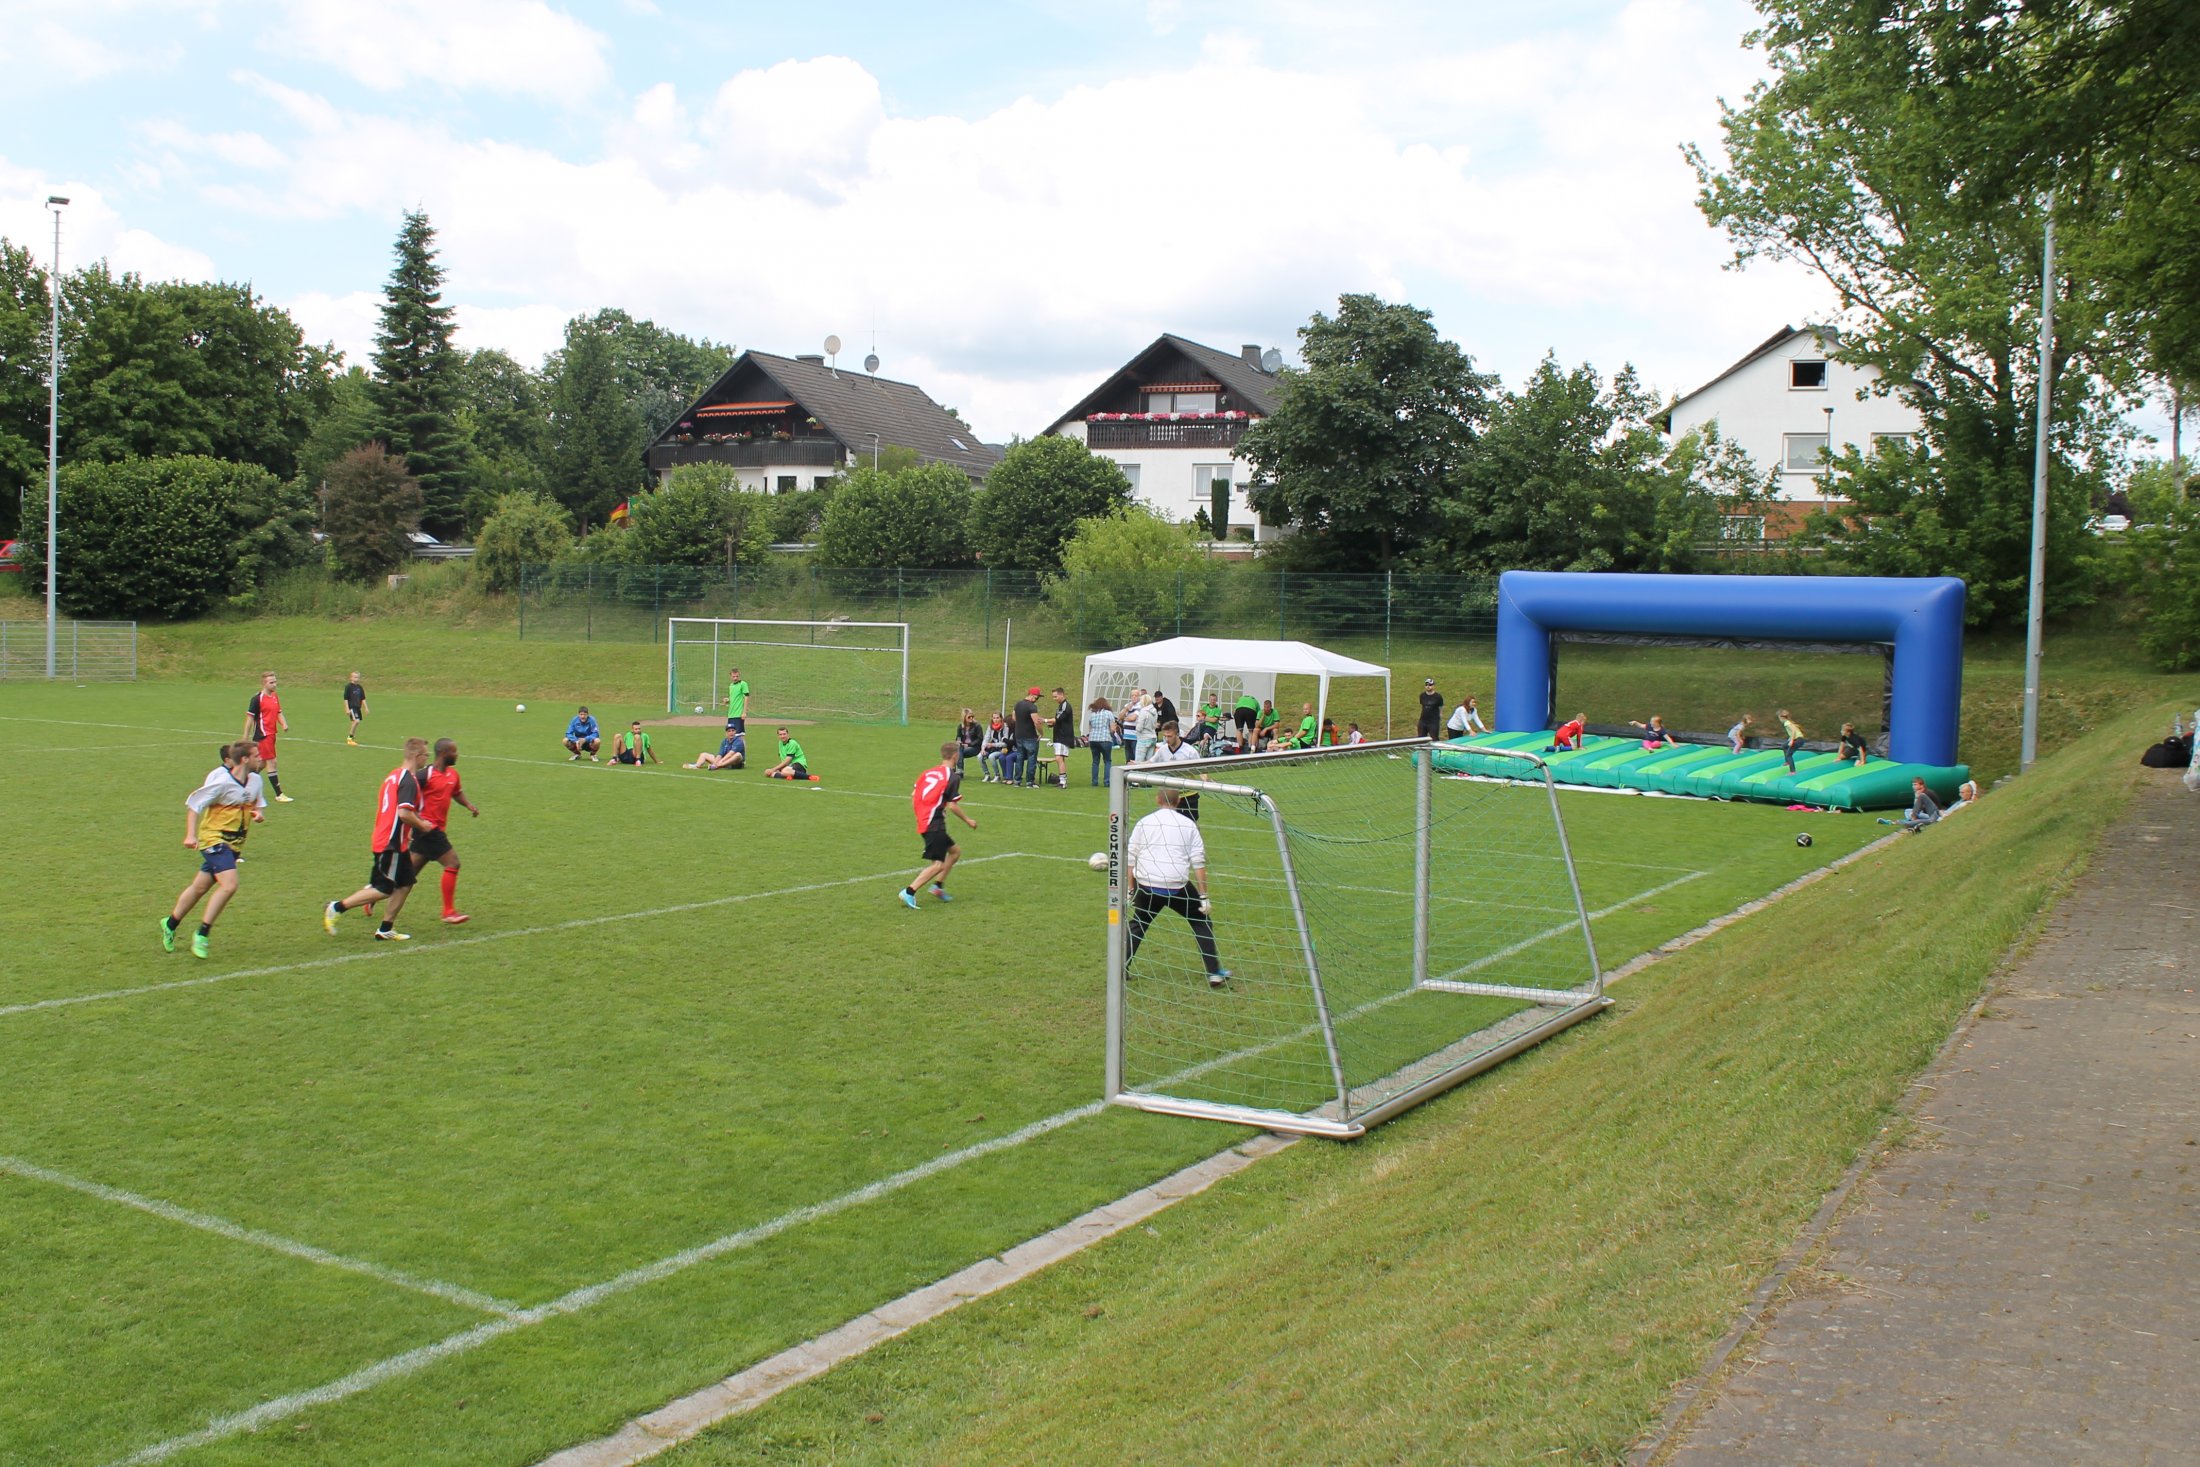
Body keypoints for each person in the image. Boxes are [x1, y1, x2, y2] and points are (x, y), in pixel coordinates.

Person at [324, 736, 434, 942]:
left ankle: (385, 929)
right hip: (390, 842)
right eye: (426, 755)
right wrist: (422, 825)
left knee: (406, 883)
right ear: (417, 756)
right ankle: (337, 907)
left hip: (394, 841)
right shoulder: (408, 781)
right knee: (384, 889)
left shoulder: (393, 776)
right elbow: (404, 813)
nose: (427, 759)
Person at [163, 744, 267, 959]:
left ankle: (170, 923)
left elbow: (257, 804)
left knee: (200, 887)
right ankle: (202, 934)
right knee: (230, 885)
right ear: (244, 759)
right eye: (256, 755)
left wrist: (257, 814)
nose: (261, 758)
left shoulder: (256, 780)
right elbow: (194, 805)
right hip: (213, 839)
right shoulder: (222, 782)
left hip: (235, 844)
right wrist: (190, 835)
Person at [1124, 788, 1229, 988]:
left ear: (1157, 799)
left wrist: (1130, 889)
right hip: (1176, 885)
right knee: (1201, 921)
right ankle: (1214, 973)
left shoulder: (1144, 822)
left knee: (1139, 923)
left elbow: (1131, 858)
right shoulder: (1189, 825)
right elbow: (1198, 863)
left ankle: (1121, 968)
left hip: (1146, 884)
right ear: (1179, 801)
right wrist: (1204, 896)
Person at [901, 742, 979, 908]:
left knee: (955, 852)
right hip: (934, 824)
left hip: (925, 820)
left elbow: (914, 795)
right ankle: (909, 891)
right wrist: (968, 820)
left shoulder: (928, 772)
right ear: (955, 756)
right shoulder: (952, 777)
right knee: (938, 864)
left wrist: (922, 814)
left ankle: (937, 887)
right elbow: (952, 806)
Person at [413, 737, 480, 924]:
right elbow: (406, 795)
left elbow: (456, 792)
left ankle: (372, 895)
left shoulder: (453, 775)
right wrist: (414, 819)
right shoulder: (424, 776)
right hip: (427, 829)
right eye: (454, 751)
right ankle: (448, 911)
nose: (457, 754)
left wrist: (469, 805)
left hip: (434, 830)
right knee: (453, 863)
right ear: (443, 753)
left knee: (407, 876)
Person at [244, 670, 293, 802]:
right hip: (263, 735)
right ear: (264, 684)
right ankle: (279, 794)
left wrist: (284, 724)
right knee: (272, 762)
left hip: (272, 735)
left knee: (260, 764)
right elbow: (250, 719)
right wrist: (245, 738)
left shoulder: (274, 696)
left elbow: (278, 712)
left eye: (275, 682)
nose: (274, 685)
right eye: (271, 682)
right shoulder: (257, 699)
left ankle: (242, 782)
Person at [1147, 719, 1205, 820]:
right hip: (1169, 796)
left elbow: (1201, 769)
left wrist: (1205, 779)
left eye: (1170, 736)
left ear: (1177, 734)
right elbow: (1151, 762)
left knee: (1191, 825)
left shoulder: (1190, 751)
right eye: (1165, 736)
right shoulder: (1163, 750)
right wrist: (1136, 765)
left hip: (1188, 796)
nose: (1167, 739)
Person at [1010, 686, 1043, 788]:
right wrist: (1041, 733)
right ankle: (1030, 782)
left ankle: (1017, 781)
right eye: (1037, 697)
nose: (1037, 699)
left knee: (1019, 757)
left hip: (1019, 735)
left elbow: (1014, 717)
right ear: (1033, 695)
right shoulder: (1032, 707)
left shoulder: (1018, 704)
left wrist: (1022, 723)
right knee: (1031, 758)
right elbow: (1037, 722)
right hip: (1030, 736)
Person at [1085, 696, 1120, 786]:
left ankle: (1094, 781)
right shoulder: (1109, 713)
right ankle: (1107, 782)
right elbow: (1112, 729)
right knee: (1107, 761)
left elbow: (1090, 728)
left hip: (1093, 739)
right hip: (1105, 739)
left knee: (1095, 761)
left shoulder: (1092, 714)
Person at [1048, 686, 1076, 787]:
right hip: (1058, 736)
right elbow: (1060, 721)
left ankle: (1063, 782)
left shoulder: (1065, 706)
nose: (1054, 699)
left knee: (1059, 758)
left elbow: (1058, 719)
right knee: (1060, 758)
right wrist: (1053, 725)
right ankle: (1062, 780)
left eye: (1055, 696)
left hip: (1063, 737)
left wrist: (1045, 720)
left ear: (1061, 695)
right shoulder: (1061, 706)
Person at [979, 713, 1010, 782]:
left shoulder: (1005, 727)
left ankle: (997, 775)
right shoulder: (990, 727)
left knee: (991, 756)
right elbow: (986, 738)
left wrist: (993, 745)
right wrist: (983, 748)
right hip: (991, 748)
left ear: (1001, 718)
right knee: (980, 756)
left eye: (997, 718)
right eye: (994, 718)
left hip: (1002, 749)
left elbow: (1005, 743)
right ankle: (987, 774)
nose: (995, 720)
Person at [1132, 691, 1161, 764]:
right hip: (1153, 737)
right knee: (1149, 762)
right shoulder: (1154, 711)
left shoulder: (1143, 711)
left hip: (1143, 738)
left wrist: (1137, 729)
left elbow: (1139, 728)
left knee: (1139, 762)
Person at [343, 671, 369, 746]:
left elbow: (363, 698)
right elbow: (346, 699)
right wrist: (347, 709)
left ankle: (352, 736)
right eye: (355, 677)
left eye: (358, 677)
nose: (356, 679)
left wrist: (366, 708)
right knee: (356, 721)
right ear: (351, 678)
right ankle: (349, 738)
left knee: (355, 722)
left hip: (358, 707)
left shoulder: (359, 687)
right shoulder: (348, 687)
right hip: (352, 707)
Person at [1777, 708, 1806, 773]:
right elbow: (1794, 731)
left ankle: (1792, 771)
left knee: (1789, 755)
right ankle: (1787, 762)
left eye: (1779, 718)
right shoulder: (1788, 722)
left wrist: (1791, 740)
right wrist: (1790, 739)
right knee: (1784, 746)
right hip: (1799, 739)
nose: (1779, 720)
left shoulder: (1787, 723)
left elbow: (1793, 730)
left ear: (1781, 717)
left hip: (1798, 740)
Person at [725, 668, 750, 733]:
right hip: (731, 714)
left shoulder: (743, 684)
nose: (735, 678)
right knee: (731, 735)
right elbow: (733, 698)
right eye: (733, 676)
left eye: (737, 676)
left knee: (739, 735)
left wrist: (744, 712)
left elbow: (746, 697)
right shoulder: (731, 685)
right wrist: (728, 700)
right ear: (730, 676)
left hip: (738, 714)